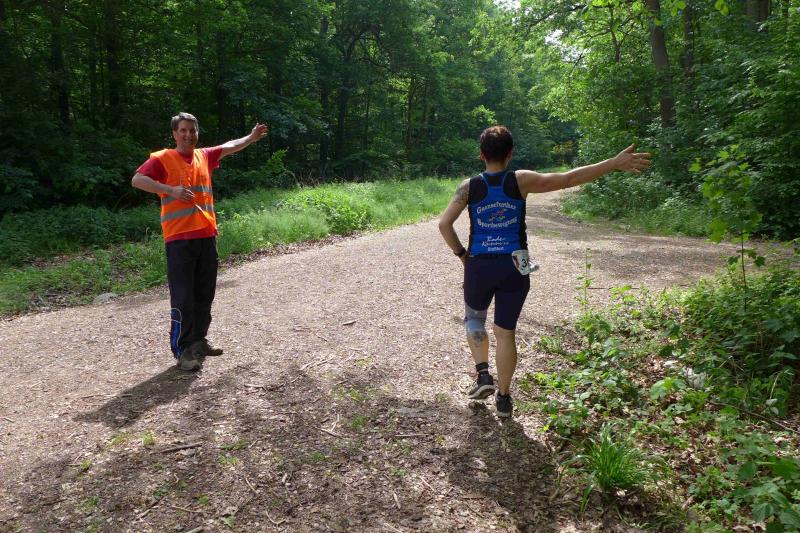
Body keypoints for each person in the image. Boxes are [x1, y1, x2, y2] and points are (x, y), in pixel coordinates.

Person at [438, 125, 651, 417]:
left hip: (479, 265)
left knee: (474, 319)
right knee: (505, 333)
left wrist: (462, 254)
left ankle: (483, 375)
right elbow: (569, 178)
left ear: (481, 155)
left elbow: (444, 225)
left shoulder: (469, 186)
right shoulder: (521, 180)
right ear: (510, 154)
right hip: (515, 266)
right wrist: (613, 163)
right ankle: (504, 398)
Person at [131, 112, 268, 370]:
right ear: (174, 134)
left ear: (197, 133)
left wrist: (251, 138)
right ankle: (182, 350)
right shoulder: (163, 158)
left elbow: (229, 146)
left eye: (192, 130)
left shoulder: (203, 156)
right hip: (179, 240)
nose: (188, 135)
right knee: (183, 298)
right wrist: (170, 190)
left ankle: (199, 341)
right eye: (183, 130)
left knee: (204, 295)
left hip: (206, 237)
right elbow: (137, 180)